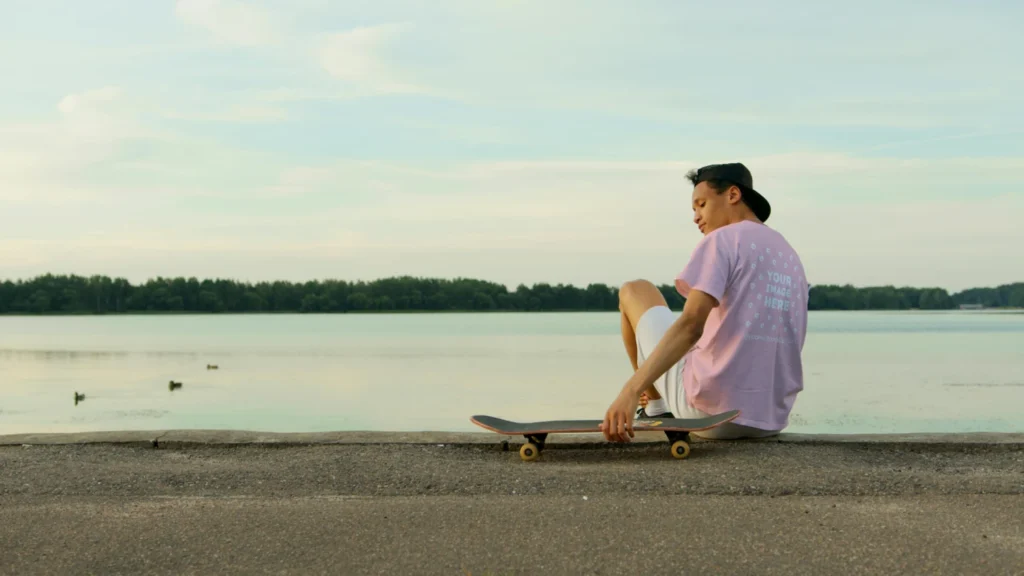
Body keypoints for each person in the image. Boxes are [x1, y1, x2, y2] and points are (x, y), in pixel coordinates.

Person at [600, 162, 808, 442]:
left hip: (708, 414)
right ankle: (658, 404)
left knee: (634, 290)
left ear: (732, 195)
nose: (696, 217)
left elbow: (691, 326)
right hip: (770, 419)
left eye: (701, 204)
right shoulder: (789, 254)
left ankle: (655, 407)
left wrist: (630, 391)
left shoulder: (723, 240)